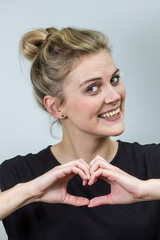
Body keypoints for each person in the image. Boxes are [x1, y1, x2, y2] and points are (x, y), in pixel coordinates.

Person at [0, 26, 160, 240]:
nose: (114, 96)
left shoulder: (153, 162)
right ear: (56, 107)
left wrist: (146, 190)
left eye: (114, 79)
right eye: (92, 88)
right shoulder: (14, 175)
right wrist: (28, 193)